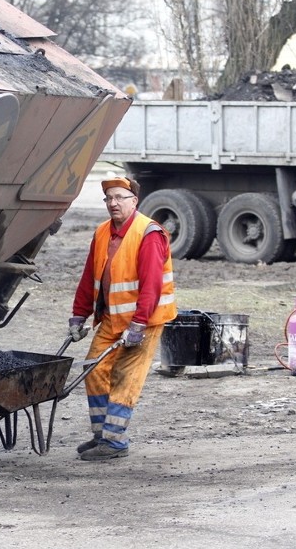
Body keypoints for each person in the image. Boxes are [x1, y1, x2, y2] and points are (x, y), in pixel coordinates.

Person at [67, 176, 177, 461]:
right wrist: (79, 315)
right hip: (112, 320)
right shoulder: (102, 232)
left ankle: (115, 442)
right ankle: (102, 436)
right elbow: (90, 276)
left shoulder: (149, 233)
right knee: (93, 370)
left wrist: (138, 324)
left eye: (119, 197)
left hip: (144, 322)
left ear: (134, 201)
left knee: (126, 378)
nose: (113, 203)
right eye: (109, 199)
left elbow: (151, 285)